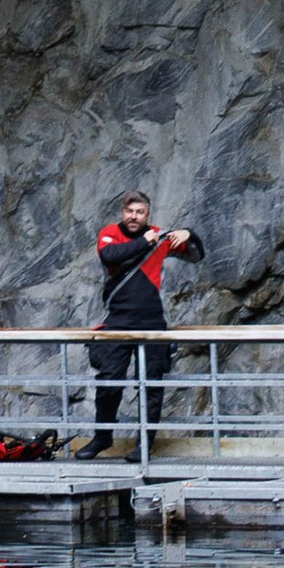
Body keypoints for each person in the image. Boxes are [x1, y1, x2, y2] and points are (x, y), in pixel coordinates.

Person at [74, 191, 203, 460]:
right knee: (108, 382)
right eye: (129, 211)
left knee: (151, 385)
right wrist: (146, 241)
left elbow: (196, 255)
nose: (134, 216)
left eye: (140, 212)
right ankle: (102, 437)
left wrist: (188, 233)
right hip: (117, 321)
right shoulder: (111, 233)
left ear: (148, 214)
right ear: (122, 212)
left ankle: (144, 443)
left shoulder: (159, 235)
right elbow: (110, 256)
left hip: (152, 322)